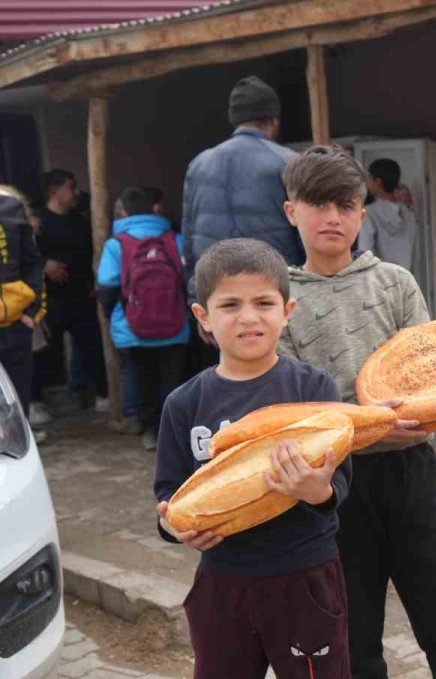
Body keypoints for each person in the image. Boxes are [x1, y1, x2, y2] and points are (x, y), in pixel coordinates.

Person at [276, 146, 436, 678]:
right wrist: (365, 422)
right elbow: (295, 411)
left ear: (361, 214)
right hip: (333, 485)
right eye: (318, 204)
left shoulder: (396, 283)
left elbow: (430, 373)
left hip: (410, 474)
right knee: (354, 641)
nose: (333, 217)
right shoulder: (279, 299)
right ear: (291, 211)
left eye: (345, 205)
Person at [153, 238, 352, 678]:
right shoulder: (184, 404)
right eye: (230, 305)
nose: (248, 317)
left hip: (305, 577)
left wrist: (316, 491)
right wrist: (173, 527)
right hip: (221, 581)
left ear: (288, 311)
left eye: (264, 302)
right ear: (203, 316)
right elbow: (169, 491)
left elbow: (341, 484)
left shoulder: (313, 390)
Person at [182, 76, 302, 304]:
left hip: (218, 299)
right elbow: (306, 235)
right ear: (273, 120)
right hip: (274, 298)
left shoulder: (199, 164)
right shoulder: (287, 162)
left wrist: (196, 302)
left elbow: (189, 240)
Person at [97, 186, 191, 451]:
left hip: (133, 327)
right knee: (173, 382)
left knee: (143, 380)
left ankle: (150, 430)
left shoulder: (116, 244)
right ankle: (173, 433)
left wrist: (113, 316)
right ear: (156, 209)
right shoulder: (175, 239)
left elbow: (106, 286)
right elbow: (188, 280)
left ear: (124, 211)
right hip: (175, 326)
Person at [32, 169, 108, 418]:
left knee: (93, 346)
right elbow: (24, 257)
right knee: (43, 352)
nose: (75, 192)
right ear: (55, 191)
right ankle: (34, 402)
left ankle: (104, 396)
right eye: (70, 187)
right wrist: (46, 264)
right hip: (49, 300)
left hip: (81, 296)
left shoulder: (81, 222)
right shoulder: (37, 222)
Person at [0, 185, 44, 422]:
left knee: (17, 399)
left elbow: (32, 263)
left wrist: (32, 311)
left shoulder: (10, 206)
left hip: (16, 322)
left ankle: (20, 451)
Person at [359, 158, 419, 271]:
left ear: (378, 181)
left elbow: (365, 255)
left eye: (369, 178)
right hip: (405, 280)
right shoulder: (409, 214)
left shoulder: (369, 213)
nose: (367, 183)